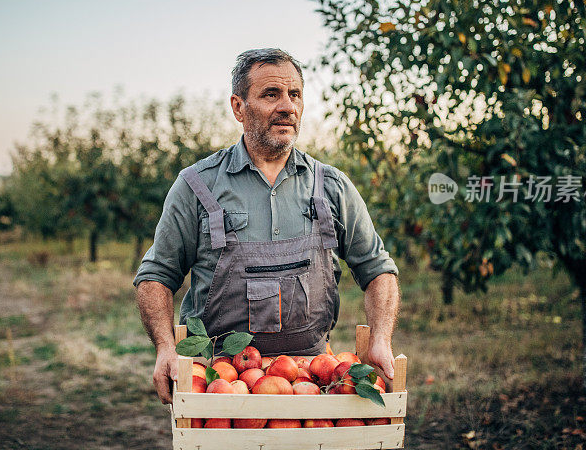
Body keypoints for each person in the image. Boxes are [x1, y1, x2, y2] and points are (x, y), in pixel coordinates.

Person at [134, 48, 400, 404]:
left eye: (295, 95)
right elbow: (156, 275)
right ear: (239, 107)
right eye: (271, 94)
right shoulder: (196, 186)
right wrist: (166, 347)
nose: (287, 106)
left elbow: (377, 268)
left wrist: (381, 338)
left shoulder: (332, 186)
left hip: (312, 380)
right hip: (217, 381)